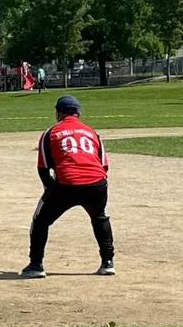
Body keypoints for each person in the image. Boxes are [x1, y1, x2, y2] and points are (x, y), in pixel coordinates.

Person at [21, 95, 115, 278]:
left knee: (41, 220)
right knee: (99, 217)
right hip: (97, 183)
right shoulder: (91, 132)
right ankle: (108, 262)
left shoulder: (51, 132)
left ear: (58, 113)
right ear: (78, 113)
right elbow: (104, 166)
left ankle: (35, 265)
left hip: (66, 183)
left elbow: (43, 168)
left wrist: (50, 190)